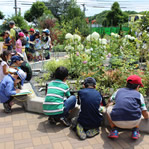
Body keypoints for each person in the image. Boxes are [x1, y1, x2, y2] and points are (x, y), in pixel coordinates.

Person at [107, 75, 149, 140]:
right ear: (138, 86)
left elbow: (110, 100)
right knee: (139, 110)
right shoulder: (139, 95)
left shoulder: (119, 91)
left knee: (108, 108)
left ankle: (114, 130)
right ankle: (135, 131)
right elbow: (145, 114)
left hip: (116, 122)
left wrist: (111, 103)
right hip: (134, 122)